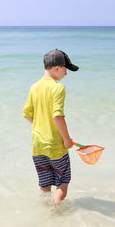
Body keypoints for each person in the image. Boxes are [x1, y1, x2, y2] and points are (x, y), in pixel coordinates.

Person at [23, 49, 79, 205]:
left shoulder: (34, 87)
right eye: (65, 70)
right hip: (55, 145)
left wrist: (41, 125)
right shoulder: (58, 88)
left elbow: (26, 113)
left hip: (38, 145)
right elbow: (57, 116)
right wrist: (67, 140)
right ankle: (55, 210)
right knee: (63, 182)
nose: (66, 74)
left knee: (45, 184)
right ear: (57, 68)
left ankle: (43, 211)